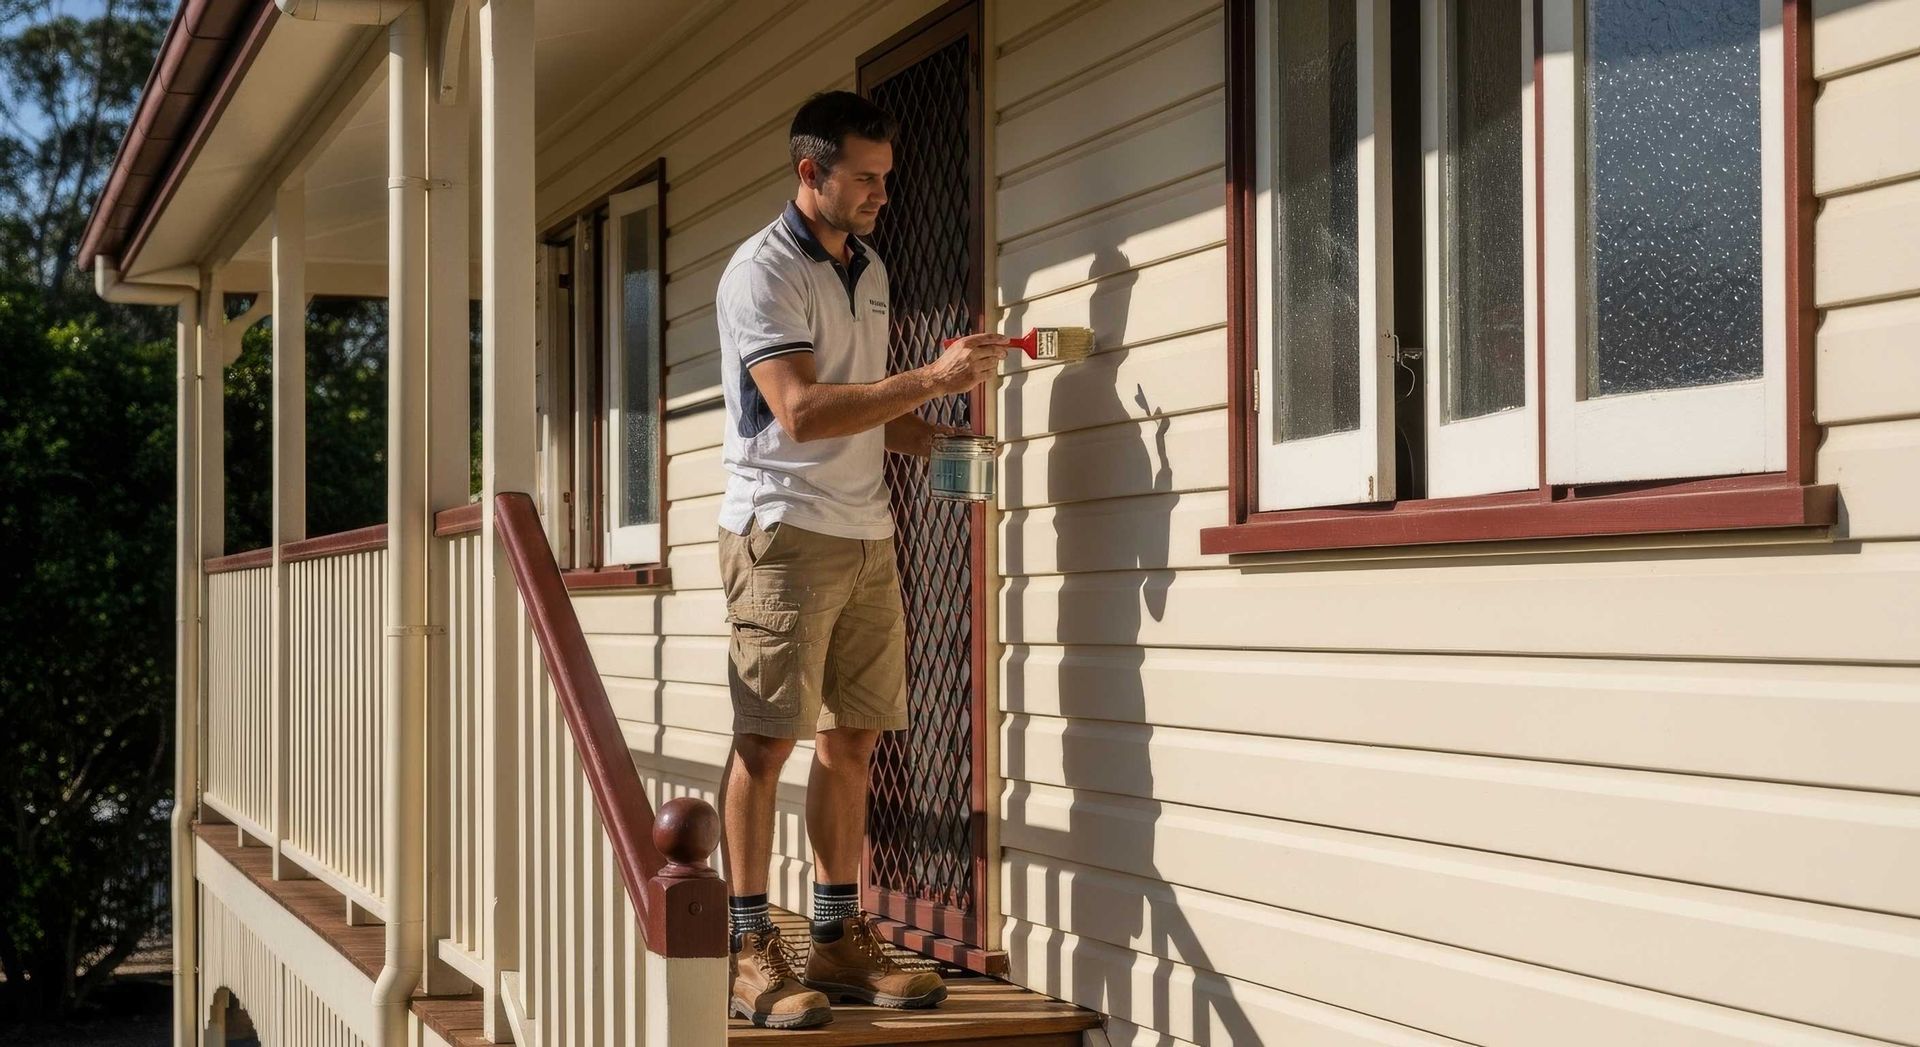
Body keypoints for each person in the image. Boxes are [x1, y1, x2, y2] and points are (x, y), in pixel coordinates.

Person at [712, 89, 1008, 1030]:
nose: (883, 192)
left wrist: (939, 435)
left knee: (854, 740)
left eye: (887, 176)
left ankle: (837, 938)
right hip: (782, 531)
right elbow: (801, 411)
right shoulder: (761, 272)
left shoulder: (869, 267)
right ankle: (748, 948)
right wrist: (930, 376)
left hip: (867, 531)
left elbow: (868, 411)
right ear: (812, 172)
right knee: (767, 741)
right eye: (866, 177)